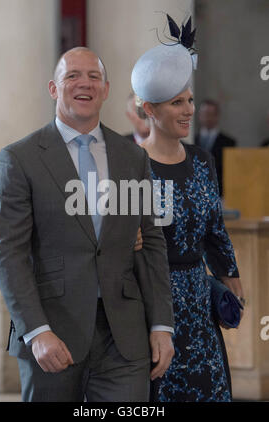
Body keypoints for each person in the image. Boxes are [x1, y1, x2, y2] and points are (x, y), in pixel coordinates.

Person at [0, 47, 175, 402]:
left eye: (94, 76)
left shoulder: (133, 158)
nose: (84, 83)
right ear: (53, 88)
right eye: (72, 75)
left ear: (105, 89)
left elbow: (152, 242)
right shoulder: (20, 159)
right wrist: (36, 330)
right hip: (53, 334)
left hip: (125, 337)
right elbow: (6, 253)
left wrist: (161, 324)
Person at [131, 20, 245, 402]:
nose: (189, 110)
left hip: (199, 297)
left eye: (190, 100)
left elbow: (214, 227)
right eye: (177, 102)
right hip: (153, 301)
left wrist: (230, 274)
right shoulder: (130, 165)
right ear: (148, 108)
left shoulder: (201, 160)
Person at [195, 99, 237, 197]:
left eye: (210, 114)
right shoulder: (192, 140)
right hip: (195, 193)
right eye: (204, 114)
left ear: (217, 116)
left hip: (220, 194)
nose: (206, 117)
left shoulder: (229, 142)